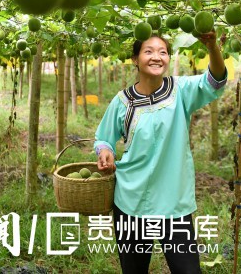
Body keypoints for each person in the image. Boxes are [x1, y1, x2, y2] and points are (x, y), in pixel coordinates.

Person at [94, 33, 227, 274]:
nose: (157, 57)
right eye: (149, 51)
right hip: (131, 200)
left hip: (173, 202)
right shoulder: (122, 102)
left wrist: (211, 45)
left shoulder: (181, 91)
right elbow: (104, 137)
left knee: (188, 271)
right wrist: (105, 151)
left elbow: (215, 80)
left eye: (163, 52)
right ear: (135, 59)